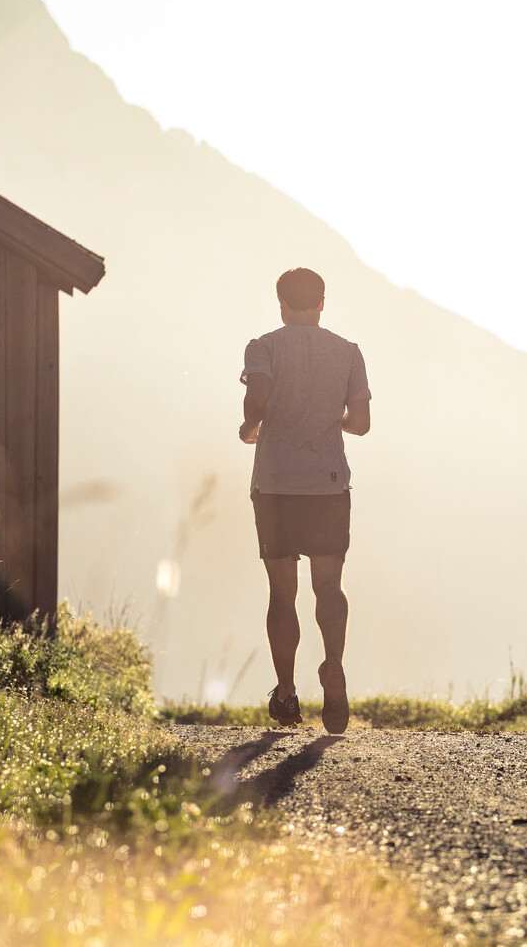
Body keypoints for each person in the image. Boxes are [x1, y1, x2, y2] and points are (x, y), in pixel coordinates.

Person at [239, 267, 371, 734]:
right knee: (329, 588)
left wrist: (249, 428)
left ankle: (288, 692)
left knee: (282, 592)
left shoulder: (265, 347)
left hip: (276, 485)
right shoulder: (347, 352)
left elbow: (257, 399)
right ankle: (333, 665)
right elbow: (361, 423)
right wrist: (327, 415)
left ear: (281, 304)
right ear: (321, 303)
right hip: (328, 484)